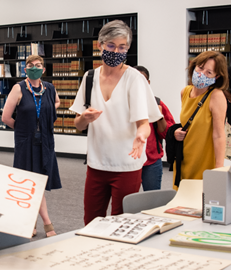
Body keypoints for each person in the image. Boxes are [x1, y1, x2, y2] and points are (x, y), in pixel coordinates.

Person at [69, 20, 161, 225]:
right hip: (97, 163)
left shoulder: (134, 79)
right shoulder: (89, 77)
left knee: (122, 222)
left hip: (127, 165)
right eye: (111, 46)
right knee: (91, 222)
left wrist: (141, 135)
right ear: (100, 45)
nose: (116, 51)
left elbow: (144, 123)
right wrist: (85, 117)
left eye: (122, 47)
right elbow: (78, 125)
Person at [2, 55, 62, 238]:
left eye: (38, 65)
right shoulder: (18, 88)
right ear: (25, 69)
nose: (34, 68)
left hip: (45, 142)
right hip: (26, 143)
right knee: (32, 184)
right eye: (30, 65)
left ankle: (31, 223)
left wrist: (46, 114)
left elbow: (56, 102)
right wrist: (23, 129)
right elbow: (5, 117)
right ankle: (47, 223)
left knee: (38, 184)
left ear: (43, 70)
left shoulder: (49, 88)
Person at [172, 51, 228, 188]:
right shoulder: (184, 92)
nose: (202, 74)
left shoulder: (216, 96)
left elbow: (219, 135)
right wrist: (176, 132)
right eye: (200, 68)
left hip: (204, 158)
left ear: (217, 76)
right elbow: (187, 123)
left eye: (209, 73)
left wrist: (219, 167)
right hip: (184, 157)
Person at [132, 66, 175, 191]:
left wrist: (159, 116)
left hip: (151, 161)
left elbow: (167, 133)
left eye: (142, 80)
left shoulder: (157, 103)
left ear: (148, 83)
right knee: (125, 201)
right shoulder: (122, 103)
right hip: (128, 161)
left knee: (152, 201)